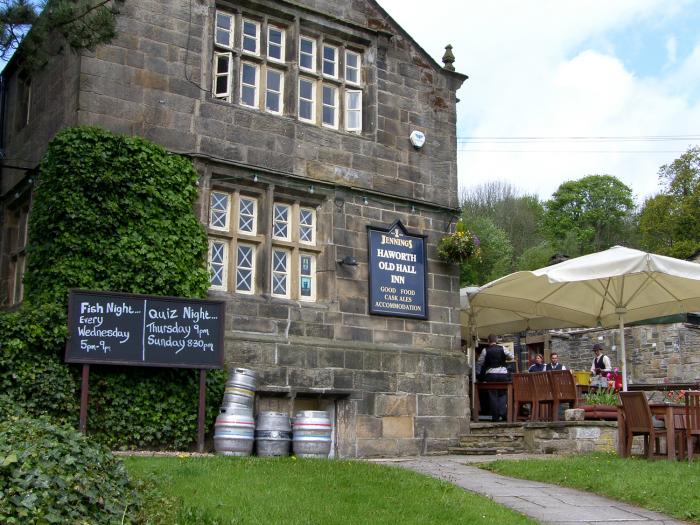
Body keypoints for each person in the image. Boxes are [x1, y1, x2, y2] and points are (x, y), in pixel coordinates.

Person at [476, 333, 513, 422]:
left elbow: (480, 362)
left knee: (493, 395)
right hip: (503, 374)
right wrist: (505, 359)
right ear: (496, 340)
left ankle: (495, 417)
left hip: (491, 374)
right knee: (502, 394)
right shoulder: (502, 348)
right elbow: (511, 356)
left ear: (488, 341)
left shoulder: (485, 350)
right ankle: (503, 413)